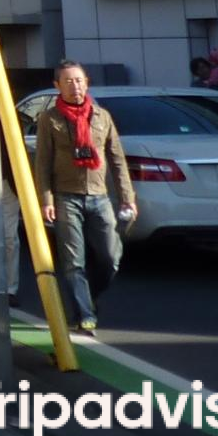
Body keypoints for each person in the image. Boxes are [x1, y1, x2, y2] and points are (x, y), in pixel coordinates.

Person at [34, 60, 136, 338]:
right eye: (67, 81)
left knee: (110, 257)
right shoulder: (50, 118)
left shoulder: (102, 116)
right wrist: (46, 199)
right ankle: (85, 315)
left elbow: (116, 159)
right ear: (57, 86)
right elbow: (42, 163)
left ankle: (88, 297)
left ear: (87, 82)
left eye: (79, 80)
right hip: (66, 196)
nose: (75, 86)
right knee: (72, 261)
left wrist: (127, 197)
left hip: (99, 196)